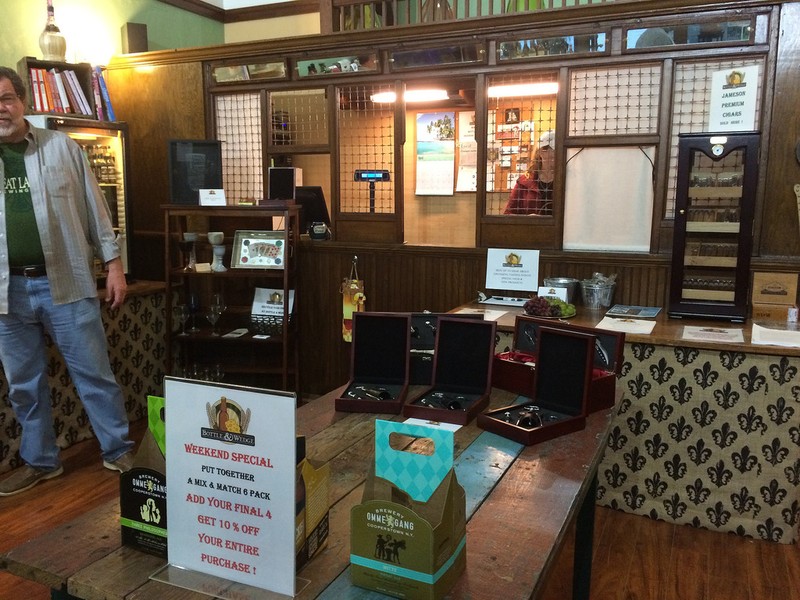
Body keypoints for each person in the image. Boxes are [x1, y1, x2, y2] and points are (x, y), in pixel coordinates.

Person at [0, 66, 134, 496]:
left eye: (5, 98)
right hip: (6, 292)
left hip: (67, 282)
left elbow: (96, 211)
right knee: (25, 386)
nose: (0, 109)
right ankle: (40, 462)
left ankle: (118, 451)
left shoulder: (62, 148)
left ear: (22, 102)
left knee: (95, 374)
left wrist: (113, 265)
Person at [503, 129, 555, 215]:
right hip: (532, 228)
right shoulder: (525, 181)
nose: (553, 154)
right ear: (540, 152)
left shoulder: (567, 180)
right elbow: (509, 213)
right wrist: (528, 219)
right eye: (550, 149)